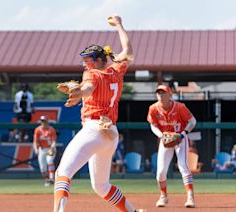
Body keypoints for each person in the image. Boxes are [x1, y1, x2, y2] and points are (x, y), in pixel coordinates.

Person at [53, 15, 142, 212]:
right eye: (84, 60)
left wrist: (78, 92)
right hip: (110, 133)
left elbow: (89, 88)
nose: (86, 64)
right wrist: (119, 24)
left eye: (89, 60)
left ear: (100, 60)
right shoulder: (116, 71)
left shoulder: (92, 74)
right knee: (101, 186)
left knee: (63, 172)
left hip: (93, 128)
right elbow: (128, 49)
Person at [147, 84, 197, 208]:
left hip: (180, 138)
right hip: (165, 140)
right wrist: (161, 135)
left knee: (183, 166)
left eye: (163, 92)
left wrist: (183, 134)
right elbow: (153, 125)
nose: (160, 95)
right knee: (160, 172)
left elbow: (193, 121)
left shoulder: (180, 107)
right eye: (158, 92)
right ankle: (163, 196)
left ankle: (190, 197)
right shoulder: (153, 108)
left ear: (170, 94)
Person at [33, 115, 57, 186]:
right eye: (42, 121)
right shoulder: (38, 130)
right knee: (42, 167)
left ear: (47, 121)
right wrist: (36, 149)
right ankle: (47, 181)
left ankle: (52, 178)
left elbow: (54, 141)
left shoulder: (51, 129)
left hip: (50, 148)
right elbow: (35, 141)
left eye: (44, 121)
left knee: (50, 161)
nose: (43, 123)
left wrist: (52, 148)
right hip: (42, 149)